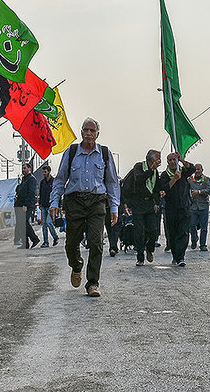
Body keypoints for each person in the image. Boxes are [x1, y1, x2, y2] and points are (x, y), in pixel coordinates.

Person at [50, 118, 120, 297]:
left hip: (97, 202)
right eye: (86, 130)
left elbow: (112, 182)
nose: (89, 133)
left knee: (96, 242)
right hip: (74, 202)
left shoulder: (104, 153)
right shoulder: (72, 152)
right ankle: (76, 265)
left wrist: (114, 207)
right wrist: (54, 202)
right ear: (81, 132)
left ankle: (92, 283)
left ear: (97, 134)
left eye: (92, 130)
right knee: (71, 243)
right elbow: (59, 180)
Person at [123, 150, 163, 266]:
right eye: (158, 158)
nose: (160, 160)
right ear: (151, 159)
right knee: (139, 232)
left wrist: (157, 201)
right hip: (138, 204)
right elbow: (139, 180)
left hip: (150, 204)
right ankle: (140, 256)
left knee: (153, 230)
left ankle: (149, 249)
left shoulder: (155, 172)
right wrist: (150, 170)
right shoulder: (139, 167)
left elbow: (156, 188)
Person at [160, 152, 196, 266]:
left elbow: (192, 169)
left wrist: (182, 161)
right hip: (171, 209)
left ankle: (181, 257)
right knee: (172, 233)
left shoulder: (182, 171)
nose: (172, 162)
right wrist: (174, 179)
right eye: (169, 160)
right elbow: (164, 189)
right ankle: (175, 255)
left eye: (173, 160)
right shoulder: (165, 175)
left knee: (183, 232)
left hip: (184, 207)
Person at [15, 162, 40, 249]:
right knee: (21, 224)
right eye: (22, 168)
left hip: (27, 205)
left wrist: (26, 204)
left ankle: (34, 238)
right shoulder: (24, 179)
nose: (23, 170)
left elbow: (31, 193)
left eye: (25, 168)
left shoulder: (31, 179)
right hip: (20, 204)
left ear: (29, 169)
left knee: (24, 222)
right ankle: (25, 243)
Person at [189, 163, 210, 251]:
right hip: (193, 206)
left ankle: (203, 245)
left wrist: (199, 192)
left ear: (202, 170)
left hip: (203, 206)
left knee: (204, 227)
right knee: (192, 225)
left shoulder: (206, 179)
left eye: (199, 169)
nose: (197, 171)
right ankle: (194, 239)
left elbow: (209, 190)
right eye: (195, 170)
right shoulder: (190, 180)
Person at [38, 164, 60, 247]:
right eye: (43, 172)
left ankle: (55, 237)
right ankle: (46, 242)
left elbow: (57, 193)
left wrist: (58, 205)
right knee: (44, 224)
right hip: (43, 205)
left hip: (51, 206)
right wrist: (40, 203)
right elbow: (40, 193)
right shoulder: (42, 182)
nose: (44, 173)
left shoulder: (54, 182)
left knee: (49, 222)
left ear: (49, 172)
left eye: (45, 172)